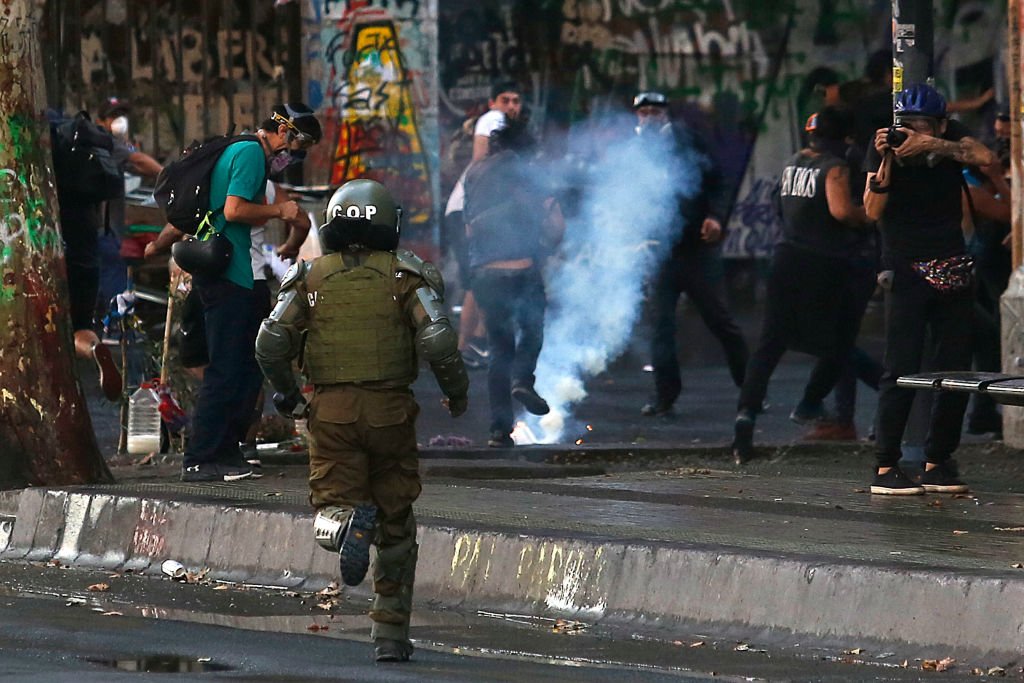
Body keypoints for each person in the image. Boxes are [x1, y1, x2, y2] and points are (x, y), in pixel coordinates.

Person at [254, 179, 469, 663]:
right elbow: (437, 341)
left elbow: (270, 344)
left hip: (329, 412)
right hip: (391, 413)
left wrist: (288, 397)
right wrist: (458, 393)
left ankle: (345, 520)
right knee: (396, 521)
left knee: (330, 503)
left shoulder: (309, 277)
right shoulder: (406, 276)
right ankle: (390, 635)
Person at [147, 103, 321, 482]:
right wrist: (279, 213)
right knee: (227, 370)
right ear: (284, 131)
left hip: (238, 275)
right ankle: (200, 457)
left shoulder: (243, 151)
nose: (296, 154)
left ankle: (226, 453)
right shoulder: (250, 153)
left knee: (244, 370)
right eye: (299, 143)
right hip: (231, 275)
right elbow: (235, 209)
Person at [864, 83, 994, 495]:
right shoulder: (885, 147)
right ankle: (886, 465)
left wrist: (932, 144)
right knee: (900, 366)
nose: (909, 131)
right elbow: (871, 210)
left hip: (952, 264)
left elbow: (986, 158)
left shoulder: (951, 137)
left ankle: (939, 459)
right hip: (906, 266)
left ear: (939, 123)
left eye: (919, 124)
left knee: (955, 368)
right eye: (905, 124)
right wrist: (887, 160)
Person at [732, 108, 871, 463]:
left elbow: (780, 206)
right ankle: (810, 403)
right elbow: (841, 211)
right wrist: (869, 215)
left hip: (785, 258)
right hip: (822, 264)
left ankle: (744, 421)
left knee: (770, 343)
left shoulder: (793, 161)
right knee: (838, 342)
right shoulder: (834, 167)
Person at [630, 91, 749, 417]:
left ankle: (751, 391)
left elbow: (719, 181)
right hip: (660, 253)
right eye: (644, 112)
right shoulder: (633, 151)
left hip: (696, 250)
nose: (649, 117)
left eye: (655, 111)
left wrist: (715, 217)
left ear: (666, 114)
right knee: (661, 327)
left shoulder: (688, 140)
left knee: (721, 322)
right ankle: (664, 397)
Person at [463, 118, 564, 447]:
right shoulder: (527, 172)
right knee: (532, 330)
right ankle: (523, 379)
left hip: (486, 273)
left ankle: (499, 430)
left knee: (498, 349)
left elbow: (466, 226)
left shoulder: (474, 173)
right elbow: (555, 227)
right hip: (522, 269)